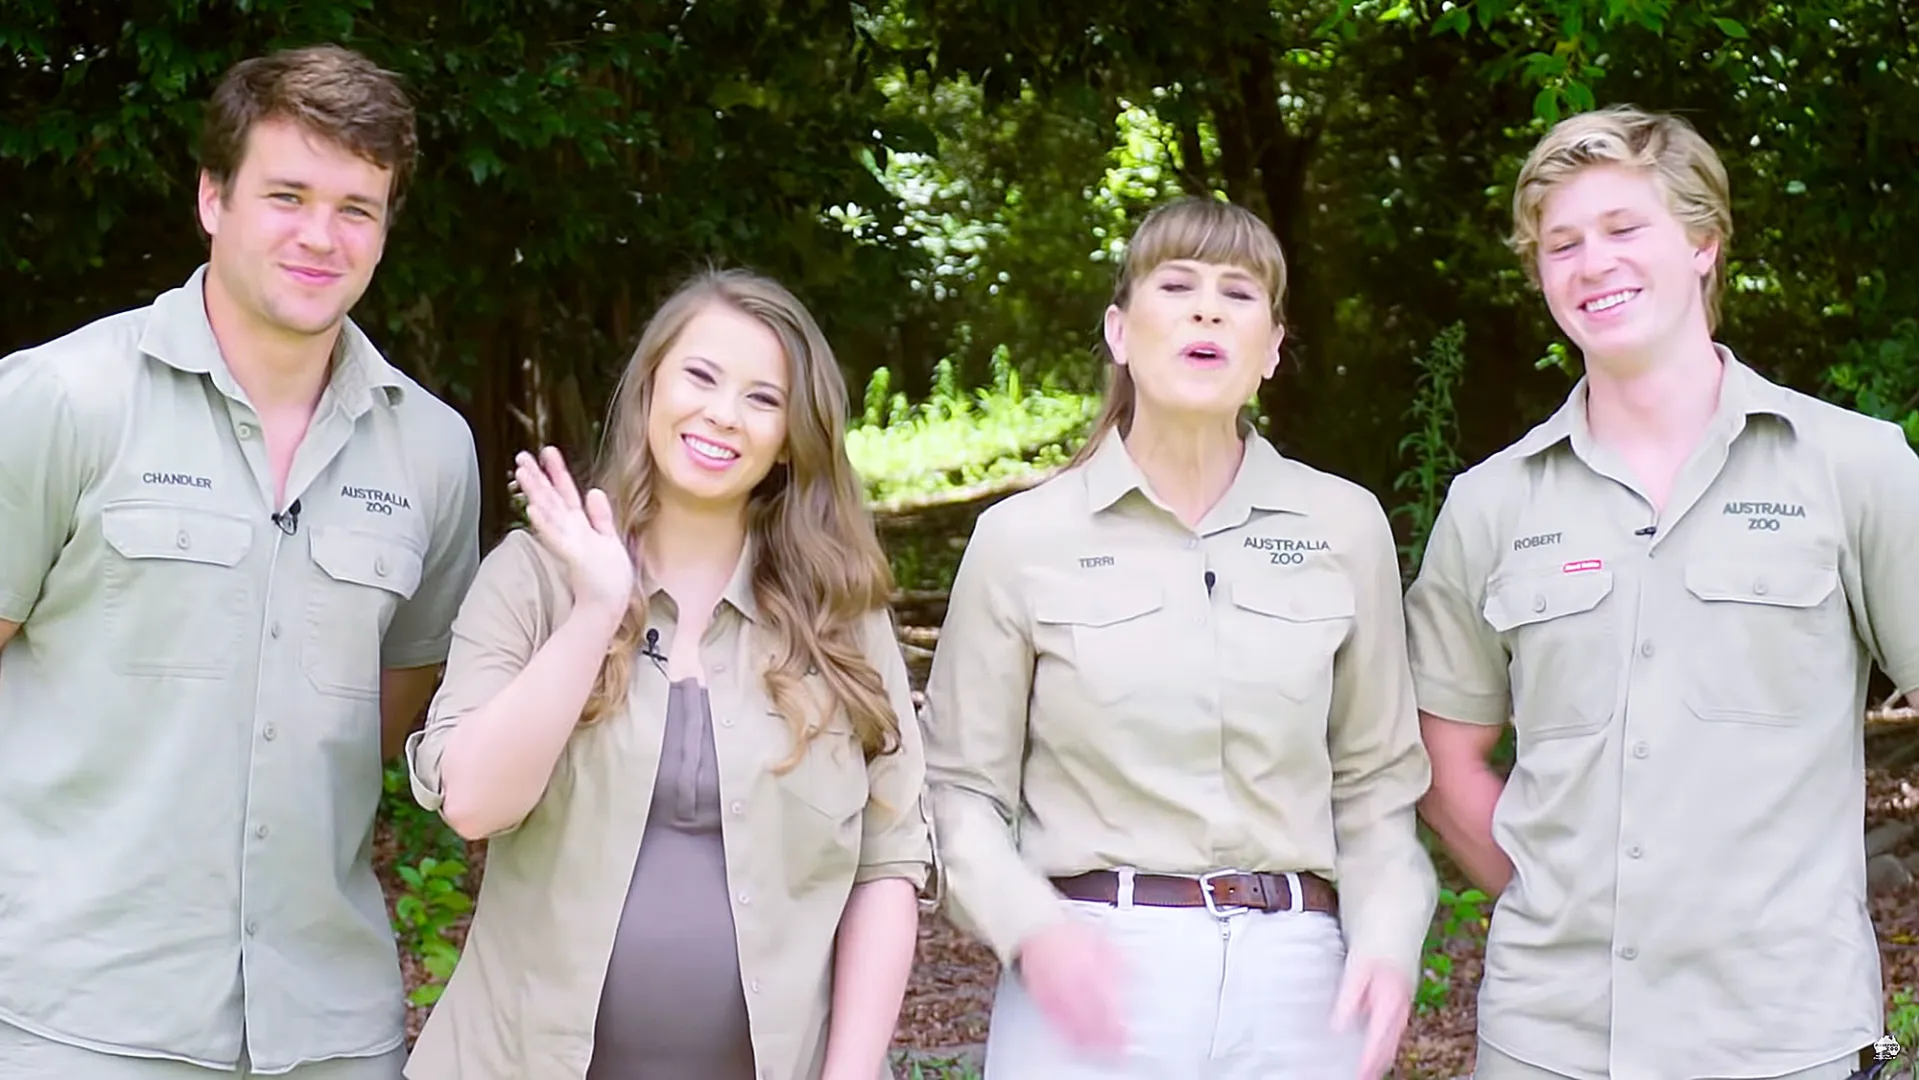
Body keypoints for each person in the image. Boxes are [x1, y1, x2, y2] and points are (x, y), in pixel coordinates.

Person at [1406, 105, 1919, 1080]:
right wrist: (1559, 899)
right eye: (1560, 244)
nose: (1590, 263)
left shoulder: (1855, 467)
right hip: (1545, 1042)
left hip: (1784, 1039)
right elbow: (1442, 758)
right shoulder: (1489, 503)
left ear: (1701, 243)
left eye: (1621, 228)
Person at [0, 45, 482, 1079]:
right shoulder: (60, 400)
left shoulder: (434, 452)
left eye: (356, 208)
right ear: (212, 198)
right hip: (74, 1025)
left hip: (330, 1033)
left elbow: (386, 709)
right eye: (287, 195)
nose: (320, 235)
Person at [921, 196, 1438, 1080]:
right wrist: (1033, 930)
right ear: (1119, 332)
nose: (1207, 310)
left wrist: (1387, 940)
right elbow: (957, 791)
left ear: (1271, 349)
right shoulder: (1020, 539)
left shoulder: (1344, 527)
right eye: (1177, 285)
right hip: (1091, 971)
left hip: (1299, 982)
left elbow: (1377, 786)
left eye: (1238, 293)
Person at [401, 267, 932, 1080]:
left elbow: (887, 864)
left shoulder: (840, 615)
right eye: (701, 376)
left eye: (762, 397)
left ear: (791, 434)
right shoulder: (531, 579)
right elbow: (472, 803)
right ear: (649, 384)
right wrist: (595, 610)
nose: (723, 414)